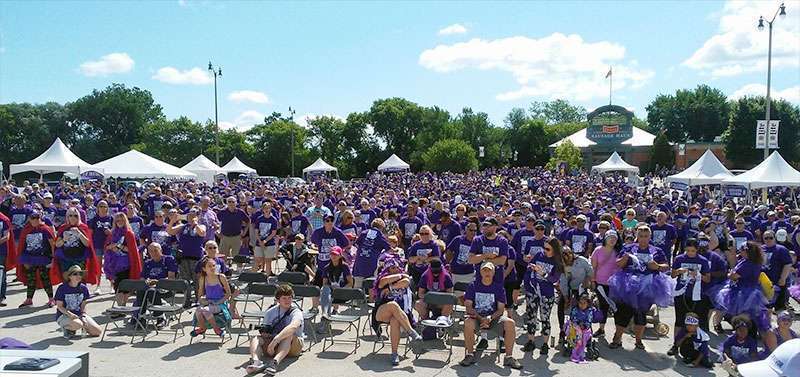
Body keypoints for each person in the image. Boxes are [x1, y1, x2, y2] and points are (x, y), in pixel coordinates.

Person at [608, 225, 673, 350]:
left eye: (646, 236)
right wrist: (625, 258)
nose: (643, 239)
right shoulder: (628, 248)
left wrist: (657, 266)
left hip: (647, 286)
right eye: (641, 236)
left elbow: (666, 266)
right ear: (637, 236)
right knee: (623, 313)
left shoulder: (656, 250)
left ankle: (638, 341)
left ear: (650, 237)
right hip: (628, 285)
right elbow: (618, 264)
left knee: (641, 313)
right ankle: (617, 338)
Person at [459, 261, 522, 370]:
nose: (487, 272)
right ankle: (469, 354)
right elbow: (468, 306)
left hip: (493, 318)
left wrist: (490, 318)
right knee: (468, 322)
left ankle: (509, 357)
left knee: (510, 323)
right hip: (477, 317)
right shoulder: (473, 286)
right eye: (484, 270)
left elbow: (501, 309)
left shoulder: (498, 288)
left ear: (493, 273)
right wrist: (480, 318)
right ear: (480, 272)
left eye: (489, 270)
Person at [370, 257, 422, 366]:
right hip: (381, 312)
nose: (395, 269)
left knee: (395, 320)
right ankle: (412, 332)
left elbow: (407, 281)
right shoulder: (382, 278)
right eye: (392, 268)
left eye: (397, 267)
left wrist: (389, 288)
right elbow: (383, 282)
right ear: (387, 269)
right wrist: (399, 276)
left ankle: (394, 353)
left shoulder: (404, 279)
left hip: (399, 315)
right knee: (393, 305)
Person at [246, 284, 305, 376]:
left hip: (294, 345)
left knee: (288, 334)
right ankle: (256, 362)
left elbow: (293, 326)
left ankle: (274, 363)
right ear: (278, 300)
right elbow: (265, 330)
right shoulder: (270, 312)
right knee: (255, 338)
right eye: (284, 298)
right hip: (274, 345)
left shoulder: (296, 312)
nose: (287, 301)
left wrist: (276, 339)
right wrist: (266, 335)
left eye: (289, 298)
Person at [716, 242, 770, 338]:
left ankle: (747, 336)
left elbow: (734, 276)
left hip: (744, 292)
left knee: (745, 315)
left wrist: (729, 274)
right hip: (750, 291)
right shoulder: (752, 261)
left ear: (747, 251)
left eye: (742, 250)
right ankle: (748, 335)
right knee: (750, 315)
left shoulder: (748, 264)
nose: (740, 252)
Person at [668, 238, 711, 356]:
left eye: (693, 251)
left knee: (697, 320)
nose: (690, 253)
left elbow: (708, 279)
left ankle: (697, 345)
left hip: (697, 295)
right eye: (688, 250)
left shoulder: (703, 261)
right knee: (679, 320)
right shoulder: (679, 258)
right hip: (682, 293)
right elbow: (672, 275)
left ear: (697, 250)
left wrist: (698, 275)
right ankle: (675, 345)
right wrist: (679, 271)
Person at [521, 237, 563, 355]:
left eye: (547, 249)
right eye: (544, 248)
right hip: (532, 290)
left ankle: (545, 344)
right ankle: (531, 341)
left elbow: (555, 279)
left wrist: (542, 273)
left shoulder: (557, 261)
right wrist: (531, 267)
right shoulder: (539, 255)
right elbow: (530, 265)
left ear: (554, 249)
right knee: (531, 316)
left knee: (545, 318)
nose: (544, 250)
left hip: (546, 293)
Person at [13, 210, 58, 308]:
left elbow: (52, 244)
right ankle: (29, 299)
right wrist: (24, 260)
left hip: (43, 258)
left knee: (45, 279)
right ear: (29, 219)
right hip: (30, 258)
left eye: (37, 218)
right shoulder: (27, 229)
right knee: (31, 279)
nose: (35, 220)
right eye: (32, 218)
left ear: (40, 218)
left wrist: (53, 259)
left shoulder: (45, 229)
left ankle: (51, 299)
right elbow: (23, 246)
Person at [166, 207, 206, 305]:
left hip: (196, 257)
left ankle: (198, 299)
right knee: (185, 280)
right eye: (189, 216)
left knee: (197, 280)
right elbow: (170, 231)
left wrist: (195, 223)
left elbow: (202, 233)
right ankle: (187, 300)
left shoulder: (201, 226)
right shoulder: (183, 226)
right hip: (183, 257)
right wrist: (172, 220)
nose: (190, 218)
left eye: (193, 216)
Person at [53, 207, 101, 287]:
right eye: (70, 215)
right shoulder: (63, 228)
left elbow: (88, 244)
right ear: (67, 217)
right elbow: (57, 244)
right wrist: (64, 240)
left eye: (75, 216)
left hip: (80, 259)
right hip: (65, 259)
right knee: (67, 282)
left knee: (80, 282)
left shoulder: (83, 227)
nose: (73, 218)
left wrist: (79, 233)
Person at [104, 212, 142, 308]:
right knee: (117, 287)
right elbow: (106, 247)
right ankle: (121, 307)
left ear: (125, 221)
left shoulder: (129, 233)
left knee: (125, 287)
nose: (119, 222)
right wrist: (112, 246)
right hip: (113, 264)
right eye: (117, 221)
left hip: (125, 264)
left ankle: (122, 306)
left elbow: (131, 250)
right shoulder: (112, 233)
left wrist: (119, 246)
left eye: (121, 220)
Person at [54, 265, 102, 338]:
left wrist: (83, 315)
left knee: (97, 331)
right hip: (64, 315)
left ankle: (81, 327)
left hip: (79, 315)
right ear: (69, 276)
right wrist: (70, 314)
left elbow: (83, 304)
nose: (78, 276)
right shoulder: (62, 288)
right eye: (75, 274)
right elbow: (59, 306)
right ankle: (67, 329)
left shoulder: (83, 288)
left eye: (80, 274)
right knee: (78, 324)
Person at [191, 257, 232, 338]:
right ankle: (203, 328)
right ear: (204, 269)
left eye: (214, 265)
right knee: (198, 311)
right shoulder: (203, 278)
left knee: (204, 310)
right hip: (208, 303)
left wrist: (219, 302)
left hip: (220, 303)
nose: (213, 268)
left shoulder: (221, 277)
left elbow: (228, 294)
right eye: (209, 266)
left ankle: (216, 329)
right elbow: (199, 295)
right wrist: (203, 300)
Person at [591, 230, 619, 338]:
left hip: (614, 284)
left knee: (616, 307)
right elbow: (593, 267)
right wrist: (593, 281)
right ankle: (601, 329)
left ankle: (617, 333)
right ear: (605, 238)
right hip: (600, 283)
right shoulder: (598, 250)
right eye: (610, 237)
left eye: (614, 238)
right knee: (603, 306)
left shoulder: (619, 251)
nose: (612, 240)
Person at [352, 218, 391, 289]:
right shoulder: (380, 235)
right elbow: (388, 249)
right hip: (371, 264)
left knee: (357, 286)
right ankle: (371, 299)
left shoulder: (364, 233)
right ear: (381, 227)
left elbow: (357, 244)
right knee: (371, 286)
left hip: (359, 263)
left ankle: (356, 299)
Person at [415, 259, 454, 327]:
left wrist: (438, 299)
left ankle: (442, 323)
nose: (436, 273)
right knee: (418, 304)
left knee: (449, 304)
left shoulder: (446, 276)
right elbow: (420, 294)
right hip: (428, 301)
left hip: (442, 301)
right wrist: (431, 297)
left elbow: (450, 294)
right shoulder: (425, 276)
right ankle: (426, 323)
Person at [760, 230, 793, 312]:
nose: (768, 239)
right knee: (765, 307)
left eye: (770, 237)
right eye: (766, 238)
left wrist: (783, 278)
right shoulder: (761, 249)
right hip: (764, 283)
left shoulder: (781, 249)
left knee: (779, 307)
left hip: (778, 282)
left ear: (774, 238)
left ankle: (781, 324)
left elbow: (787, 264)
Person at [319, 246, 352, 316]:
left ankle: (333, 310)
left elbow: (350, 283)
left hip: (343, 292)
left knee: (331, 294)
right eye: (332, 254)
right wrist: (330, 289)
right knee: (325, 290)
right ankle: (325, 313)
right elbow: (324, 283)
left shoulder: (345, 267)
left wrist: (341, 290)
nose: (334, 256)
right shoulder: (326, 268)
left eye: (336, 254)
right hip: (331, 292)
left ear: (340, 256)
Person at [217, 196, 249, 261]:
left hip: (237, 237)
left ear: (236, 203)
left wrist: (245, 232)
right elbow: (215, 221)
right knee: (222, 257)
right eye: (229, 201)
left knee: (237, 257)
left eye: (233, 202)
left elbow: (248, 221)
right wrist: (217, 231)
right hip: (224, 237)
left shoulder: (240, 212)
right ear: (227, 203)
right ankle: (224, 270)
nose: (231, 203)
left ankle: (237, 271)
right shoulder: (222, 212)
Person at [252, 202, 279, 275]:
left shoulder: (274, 219)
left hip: (270, 243)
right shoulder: (259, 219)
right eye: (265, 208)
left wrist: (265, 241)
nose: (266, 210)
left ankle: (267, 278)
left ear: (270, 209)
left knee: (268, 261)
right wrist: (260, 241)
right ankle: (252, 278)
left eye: (268, 208)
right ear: (262, 209)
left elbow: (273, 233)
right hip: (259, 242)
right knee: (257, 260)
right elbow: (256, 231)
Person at [0, 210, 13, 306]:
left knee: (2, 275)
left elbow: (6, 236)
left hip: (1, 252)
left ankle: (2, 297)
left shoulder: (4, 219)